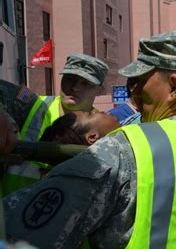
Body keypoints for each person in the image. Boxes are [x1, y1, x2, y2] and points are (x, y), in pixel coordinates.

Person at [3, 30, 176, 249]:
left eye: (141, 81)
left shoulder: (125, 150)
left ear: (173, 87)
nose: (134, 92)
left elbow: (16, 227)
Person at [1, 53, 109, 196]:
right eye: (70, 79)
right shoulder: (33, 105)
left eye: (85, 83)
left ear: (100, 90)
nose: (75, 87)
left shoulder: (103, 127)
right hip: (11, 205)